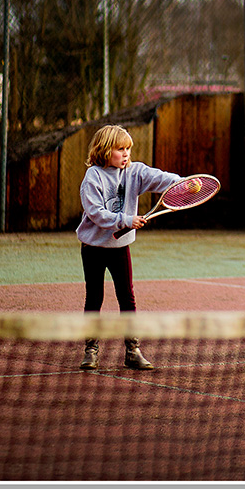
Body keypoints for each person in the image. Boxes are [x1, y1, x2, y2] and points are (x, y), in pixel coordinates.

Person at [75, 124, 181, 371]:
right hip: (93, 247)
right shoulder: (93, 177)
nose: (125, 154)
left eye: (128, 149)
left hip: (120, 247)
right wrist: (125, 220)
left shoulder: (135, 172)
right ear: (104, 150)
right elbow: (96, 213)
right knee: (95, 297)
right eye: (120, 149)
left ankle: (132, 350)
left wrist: (182, 183)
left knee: (127, 298)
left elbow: (160, 178)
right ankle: (91, 350)